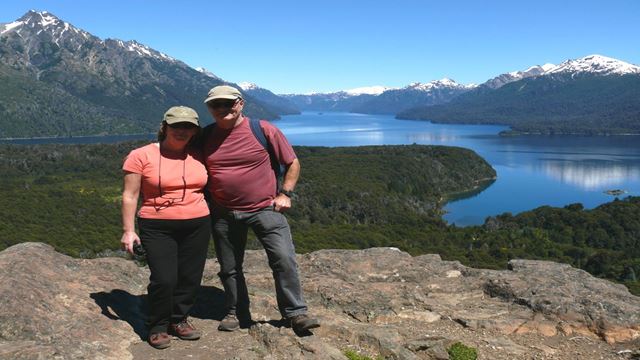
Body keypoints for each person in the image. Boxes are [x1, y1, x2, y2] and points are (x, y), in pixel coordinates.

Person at [202, 85, 320, 333]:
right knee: (229, 267)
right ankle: (236, 312)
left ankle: (295, 314)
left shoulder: (263, 129)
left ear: (240, 103)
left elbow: (292, 162)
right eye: (215, 105)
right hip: (223, 212)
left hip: (265, 208)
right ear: (209, 108)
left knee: (284, 259)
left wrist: (285, 193)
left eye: (228, 103)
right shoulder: (205, 136)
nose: (222, 109)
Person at [120, 106, 211, 349]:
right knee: (164, 278)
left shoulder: (199, 154)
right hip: (157, 225)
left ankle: (179, 319)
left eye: (188, 127)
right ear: (165, 127)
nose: (182, 131)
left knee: (190, 277)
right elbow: (130, 195)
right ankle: (158, 325)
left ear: (195, 131)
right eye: (176, 126)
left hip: (198, 223)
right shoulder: (140, 155)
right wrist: (129, 231)